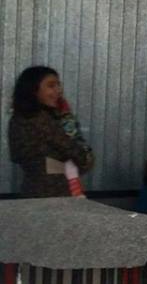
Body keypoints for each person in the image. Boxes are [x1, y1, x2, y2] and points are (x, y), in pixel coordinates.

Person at [8, 66, 94, 198]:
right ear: (33, 89)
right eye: (51, 86)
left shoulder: (18, 118)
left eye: (58, 85)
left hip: (33, 189)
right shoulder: (39, 119)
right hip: (53, 192)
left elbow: (17, 156)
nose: (58, 91)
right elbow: (72, 149)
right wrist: (85, 158)